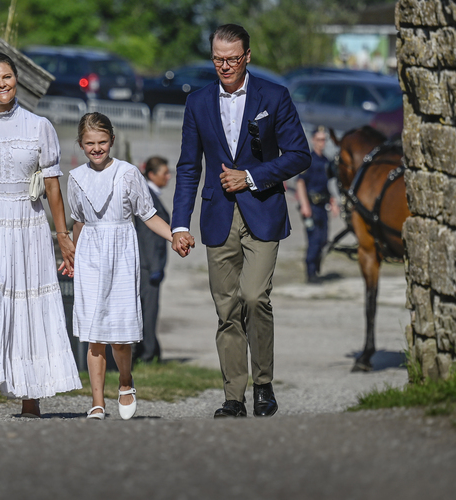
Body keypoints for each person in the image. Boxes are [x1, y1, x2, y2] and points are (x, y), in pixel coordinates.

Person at [171, 24, 311, 418]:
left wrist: (251, 177)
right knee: (227, 308)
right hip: (217, 215)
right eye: (218, 59)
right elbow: (187, 168)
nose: (225, 66)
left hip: (263, 210)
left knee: (254, 297)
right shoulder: (197, 102)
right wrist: (179, 223)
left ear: (247, 56)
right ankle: (234, 396)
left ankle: (263, 384)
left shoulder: (274, 96)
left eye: (233, 59)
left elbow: (300, 154)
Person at [0, 53, 82, 418]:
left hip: (28, 222)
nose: (2, 84)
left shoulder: (39, 127)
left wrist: (63, 234)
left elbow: (53, 188)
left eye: (7, 77)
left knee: (27, 301)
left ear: (16, 79)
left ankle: (30, 393)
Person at [67, 113, 176, 420]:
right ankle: (97, 401)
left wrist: (174, 236)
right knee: (94, 335)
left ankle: (125, 381)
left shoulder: (128, 173)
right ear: (81, 144)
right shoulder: (76, 178)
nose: (96, 148)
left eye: (102, 142)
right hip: (90, 255)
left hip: (122, 253)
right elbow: (78, 221)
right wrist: (72, 255)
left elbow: (148, 214)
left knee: (119, 335)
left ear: (112, 140)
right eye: (89, 143)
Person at [133, 156, 172, 363]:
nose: (168, 176)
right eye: (164, 173)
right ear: (151, 174)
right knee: (148, 311)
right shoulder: (148, 195)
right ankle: (146, 355)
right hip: (148, 266)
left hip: (150, 264)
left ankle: (150, 352)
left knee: (148, 311)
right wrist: (155, 266)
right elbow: (148, 234)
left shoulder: (152, 194)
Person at [297, 126, 338, 284]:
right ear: (313, 140)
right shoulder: (308, 160)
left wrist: (332, 201)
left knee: (323, 239)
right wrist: (304, 205)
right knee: (313, 239)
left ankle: (316, 268)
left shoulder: (326, 161)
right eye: (319, 139)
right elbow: (301, 183)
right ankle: (310, 273)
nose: (322, 142)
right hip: (311, 206)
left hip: (322, 206)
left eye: (324, 140)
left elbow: (328, 186)